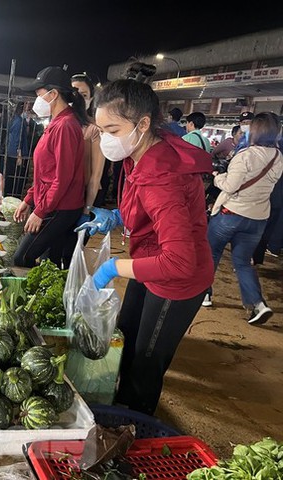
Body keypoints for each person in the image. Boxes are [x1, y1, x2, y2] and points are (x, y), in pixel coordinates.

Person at [75, 77, 214, 415]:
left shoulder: (162, 176)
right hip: (150, 263)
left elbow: (179, 261)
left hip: (176, 282)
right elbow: (151, 211)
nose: (105, 139)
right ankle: (121, 407)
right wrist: (118, 216)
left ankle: (134, 425)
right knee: (127, 338)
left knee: (144, 365)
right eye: (101, 129)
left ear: (143, 123)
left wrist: (112, 268)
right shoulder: (143, 153)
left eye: (112, 129)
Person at [204, 112, 283, 323]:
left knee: (211, 254)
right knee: (242, 262)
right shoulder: (278, 156)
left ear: (255, 131)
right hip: (257, 219)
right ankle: (257, 304)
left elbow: (230, 186)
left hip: (231, 215)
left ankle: (205, 294)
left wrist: (217, 177)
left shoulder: (246, 155)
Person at [12, 66, 87, 269]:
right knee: (49, 261)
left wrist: (41, 212)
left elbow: (62, 178)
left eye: (39, 94)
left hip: (60, 207)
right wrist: (29, 200)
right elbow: (45, 173)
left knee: (22, 257)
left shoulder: (65, 126)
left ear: (53, 94)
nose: (35, 100)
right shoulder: (56, 123)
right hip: (52, 203)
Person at [72, 73, 107, 221]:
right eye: (74, 93)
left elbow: (96, 176)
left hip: (85, 195)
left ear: (91, 99)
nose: (78, 99)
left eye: (84, 95)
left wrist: (86, 211)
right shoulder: (59, 125)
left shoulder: (94, 129)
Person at [5, 102, 29, 198]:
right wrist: (19, 155)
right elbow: (17, 139)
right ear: (23, 109)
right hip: (17, 153)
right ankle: (14, 196)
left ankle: (9, 194)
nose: (29, 111)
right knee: (17, 177)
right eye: (27, 109)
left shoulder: (15, 119)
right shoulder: (19, 121)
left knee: (11, 175)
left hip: (12, 152)